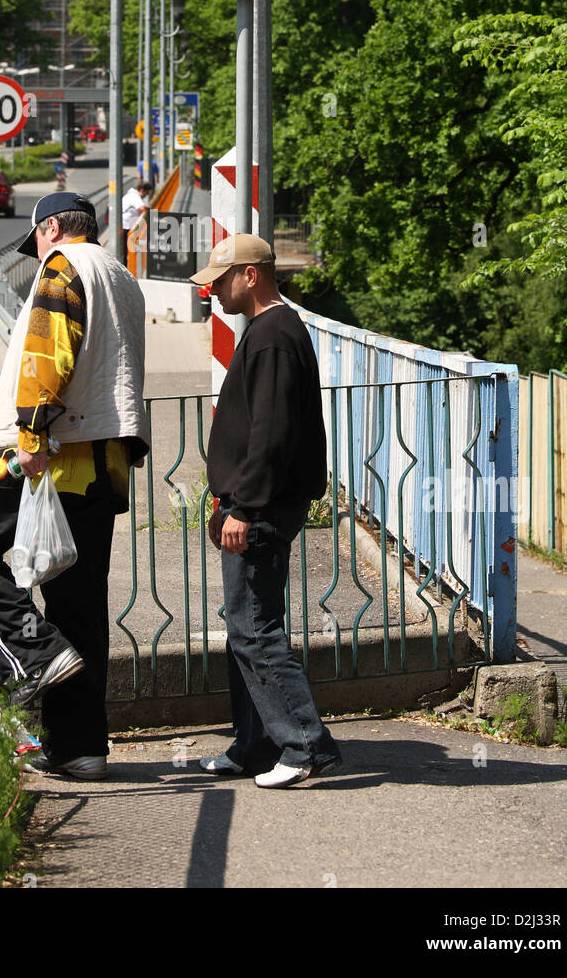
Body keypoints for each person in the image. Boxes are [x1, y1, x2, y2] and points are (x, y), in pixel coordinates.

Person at [0, 191, 150, 781]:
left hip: (54, 461)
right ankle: (81, 749)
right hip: (105, 468)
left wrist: (28, 437)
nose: (36, 254)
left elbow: (47, 357)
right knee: (81, 606)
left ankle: (34, 651)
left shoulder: (64, 267)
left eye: (37, 240)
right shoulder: (122, 275)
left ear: (52, 227)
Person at [190, 234, 342, 789]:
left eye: (219, 278)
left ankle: (305, 746)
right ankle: (256, 745)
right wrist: (228, 497)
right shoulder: (270, 329)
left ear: (250, 275)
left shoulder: (274, 333)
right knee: (245, 628)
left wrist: (245, 507)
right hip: (252, 503)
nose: (211, 288)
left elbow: (271, 434)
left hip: (261, 508)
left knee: (255, 629)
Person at [121, 179, 152, 262]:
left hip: (126, 225)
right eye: (146, 193)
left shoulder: (132, 195)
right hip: (126, 226)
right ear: (142, 190)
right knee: (126, 250)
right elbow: (142, 208)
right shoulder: (134, 196)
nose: (146, 196)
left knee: (126, 250)